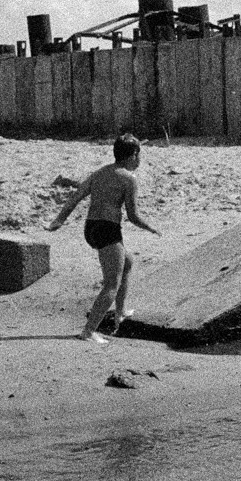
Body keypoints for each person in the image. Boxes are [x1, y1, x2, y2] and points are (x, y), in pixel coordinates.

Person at [46, 132, 159, 341]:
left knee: (127, 262)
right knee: (110, 285)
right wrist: (150, 227)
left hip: (91, 228)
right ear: (133, 155)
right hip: (107, 230)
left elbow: (75, 197)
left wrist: (59, 221)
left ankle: (121, 311)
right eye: (139, 155)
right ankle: (88, 332)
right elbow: (133, 216)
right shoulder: (129, 179)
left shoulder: (99, 173)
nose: (140, 159)